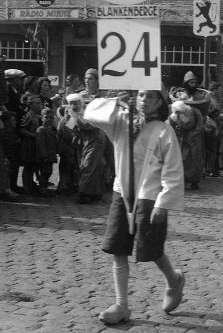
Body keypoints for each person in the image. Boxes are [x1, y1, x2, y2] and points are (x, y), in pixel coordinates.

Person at [84, 90, 186, 325]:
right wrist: (114, 102)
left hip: (149, 196)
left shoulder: (163, 130)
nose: (144, 100)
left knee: (151, 249)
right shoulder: (121, 121)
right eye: (140, 95)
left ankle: (173, 280)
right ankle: (121, 305)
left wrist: (163, 201)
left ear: (159, 102)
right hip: (123, 193)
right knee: (118, 248)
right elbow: (90, 113)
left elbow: (173, 169)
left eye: (150, 96)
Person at [68, 93, 108, 204]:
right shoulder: (73, 114)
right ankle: (94, 193)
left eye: (75, 103)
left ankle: (83, 193)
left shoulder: (87, 113)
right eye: (71, 103)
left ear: (80, 103)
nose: (73, 105)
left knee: (88, 167)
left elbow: (87, 126)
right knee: (94, 167)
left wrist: (74, 117)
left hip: (96, 142)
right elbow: (71, 129)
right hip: (86, 144)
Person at [169, 100, 205, 189]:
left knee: (194, 158)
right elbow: (172, 125)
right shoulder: (175, 115)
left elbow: (199, 124)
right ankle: (183, 178)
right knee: (182, 158)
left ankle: (194, 181)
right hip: (183, 139)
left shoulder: (194, 111)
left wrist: (194, 134)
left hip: (194, 139)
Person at [56, 101, 80, 196]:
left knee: (68, 167)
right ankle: (62, 187)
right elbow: (69, 136)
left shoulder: (67, 120)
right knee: (66, 167)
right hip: (67, 149)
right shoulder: (67, 121)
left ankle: (67, 185)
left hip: (68, 149)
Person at [20, 95, 42, 195]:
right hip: (29, 144)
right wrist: (33, 135)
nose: (40, 105)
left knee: (33, 166)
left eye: (40, 103)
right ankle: (26, 188)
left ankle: (30, 185)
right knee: (28, 166)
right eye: (37, 103)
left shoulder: (37, 115)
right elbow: (22, 129)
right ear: (31, 105)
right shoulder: (29, 115)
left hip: (35, 144)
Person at [35, 107, 58, 196]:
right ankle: (42, 189)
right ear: (42, 118)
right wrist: (44, 156)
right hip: (45, 156)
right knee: (44, 172)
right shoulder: (41, 129)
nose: (49, 119)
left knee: (49, 172)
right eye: (46, 117)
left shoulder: (51, 129)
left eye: (51, 118)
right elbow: (41, 144)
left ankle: (44, 187)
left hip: (51, 155)